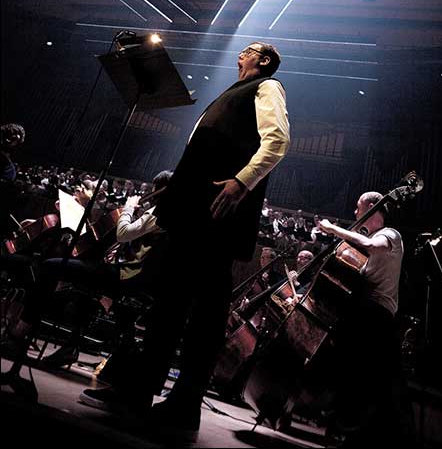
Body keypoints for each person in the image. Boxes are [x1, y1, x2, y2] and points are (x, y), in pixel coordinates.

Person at [79, 42, 289, 438]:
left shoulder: (267, 87)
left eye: (249, 50)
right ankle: (142, 392)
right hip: (191, 213)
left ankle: (183, 406)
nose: (241, 53)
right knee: (169, 309)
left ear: (263, 60)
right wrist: (175, 189)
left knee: (201, 318)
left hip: (215, 217)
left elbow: (277, 141)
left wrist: (242, 182)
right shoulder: (231, 94)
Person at [0, 170, 174, 371]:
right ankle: (69, 346)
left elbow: (123, 233)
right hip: (126, 273)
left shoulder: (158, 213)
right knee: (78, 285)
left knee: (50, 267)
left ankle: (19, 335)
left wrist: (128, 209)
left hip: (125, 275)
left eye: (154, 189)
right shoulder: (163, 214)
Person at [316, 191, 417, 447]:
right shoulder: (369, 243)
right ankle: (339, 420)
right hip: (366, 312)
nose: (355, 212)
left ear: (372, 206)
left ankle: (345, 423)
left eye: (358, 207)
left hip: (378, 316)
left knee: (363, 377)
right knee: (356, 374)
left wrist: (334, 229)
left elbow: (372, 246)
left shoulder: (390, 234)